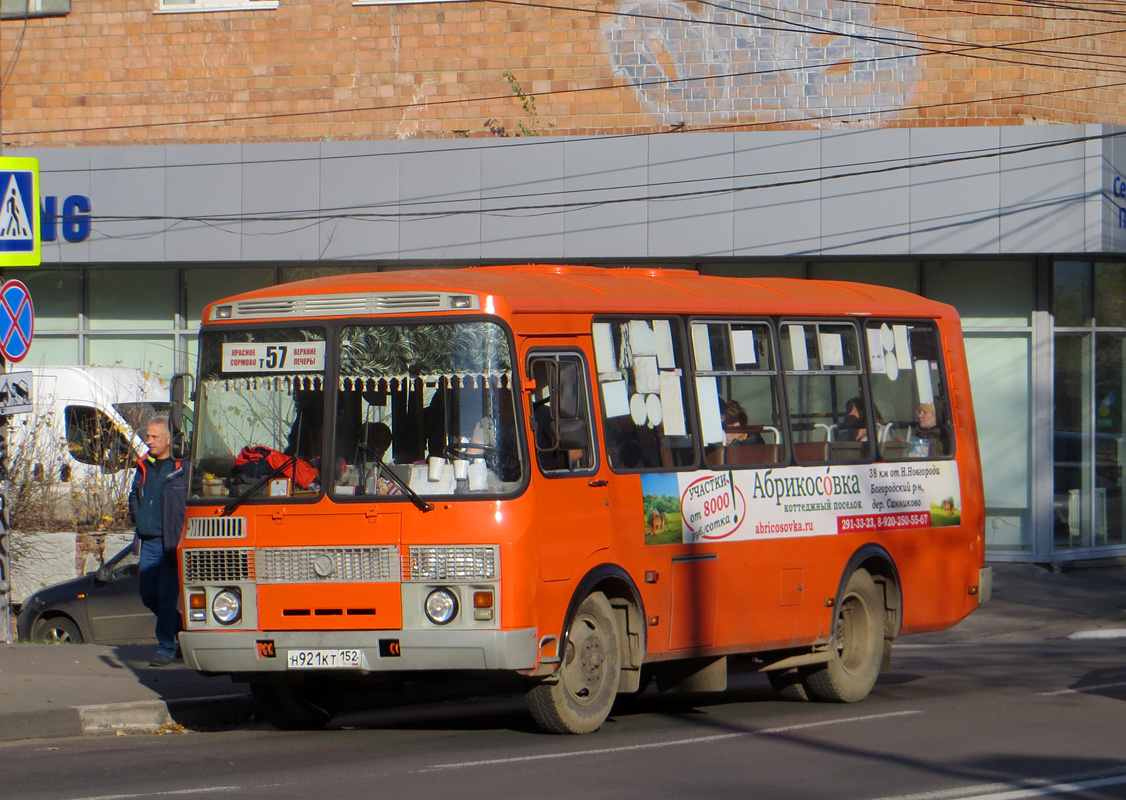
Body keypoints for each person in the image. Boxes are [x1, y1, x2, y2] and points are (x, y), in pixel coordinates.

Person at [128, 416, 187, 667]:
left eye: (153, 437)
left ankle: (166, 647)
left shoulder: (183, 469)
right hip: (148, 542)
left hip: (171, 543)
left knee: (165, 596)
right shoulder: (144, 465)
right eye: (148, 436)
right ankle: (182, 631)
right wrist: (138, 517)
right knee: (148, 595)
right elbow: (134, 495)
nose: (148, 441)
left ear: (167, 439)